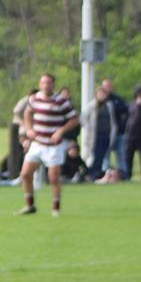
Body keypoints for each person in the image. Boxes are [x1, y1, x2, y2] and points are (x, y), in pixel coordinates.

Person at [17, 73, 79, 216]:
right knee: (25, 174)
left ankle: (56, 208)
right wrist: (29, 129)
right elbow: (27, 114)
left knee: (53, 178)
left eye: (48, 83)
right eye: (43, 83)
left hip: (53, 145)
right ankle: (30, 205)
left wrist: (61, 131)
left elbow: (74, 119)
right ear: (40, 84)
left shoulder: (61, 101)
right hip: (37, 143)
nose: (45, 85)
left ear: (53, 85)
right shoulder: (34, 99)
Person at [100, 79, 130, 179]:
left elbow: (126, 112)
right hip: (105, 134)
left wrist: (122, 125)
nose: (107, 88)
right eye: (105, 86)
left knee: (121, 155)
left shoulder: (117, 99)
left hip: (119, 133)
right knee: (105, 155)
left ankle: (123, 175)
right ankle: (105, 175)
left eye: (109, 86)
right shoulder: (99, 101)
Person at [88, 86, 117, 181]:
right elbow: (83, 118)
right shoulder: (92, 105)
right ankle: (94, 175)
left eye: (103, 94)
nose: (102, 96)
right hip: (96, 136)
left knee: (104, 155)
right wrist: (89, 127)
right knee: (96, 156)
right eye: (100, 94)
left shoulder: (109, 105)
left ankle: (101, 175)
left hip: (106, 134)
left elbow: (113, 120)